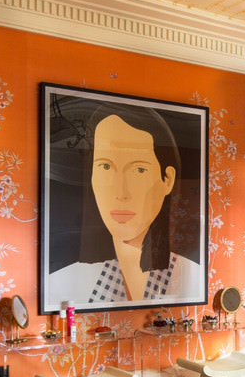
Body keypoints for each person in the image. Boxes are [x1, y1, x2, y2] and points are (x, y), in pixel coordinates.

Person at [47, 103, 201, 305]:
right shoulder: (61, 282)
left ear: (167, 180)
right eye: (105, 166)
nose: (121, 192)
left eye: (139, 170)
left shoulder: (193, 277)